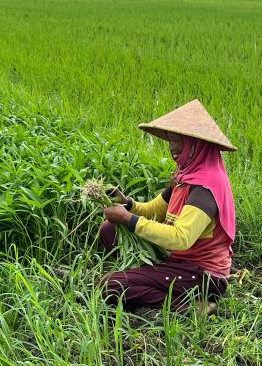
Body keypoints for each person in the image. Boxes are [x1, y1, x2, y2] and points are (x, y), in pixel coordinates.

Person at [99, 99, 237, 315]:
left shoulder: (206, 188)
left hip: (202, 274)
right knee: (109, 230)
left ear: (195, 144)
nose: (172, 147)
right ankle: (147, 277)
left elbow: (181, 238)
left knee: (110, 286)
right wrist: (128, 204)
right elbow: (154, 210)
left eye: (177, 141)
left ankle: (193, 306)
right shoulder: (185, 177)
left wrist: (128, 219)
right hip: (178, 259)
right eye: (170, 140)